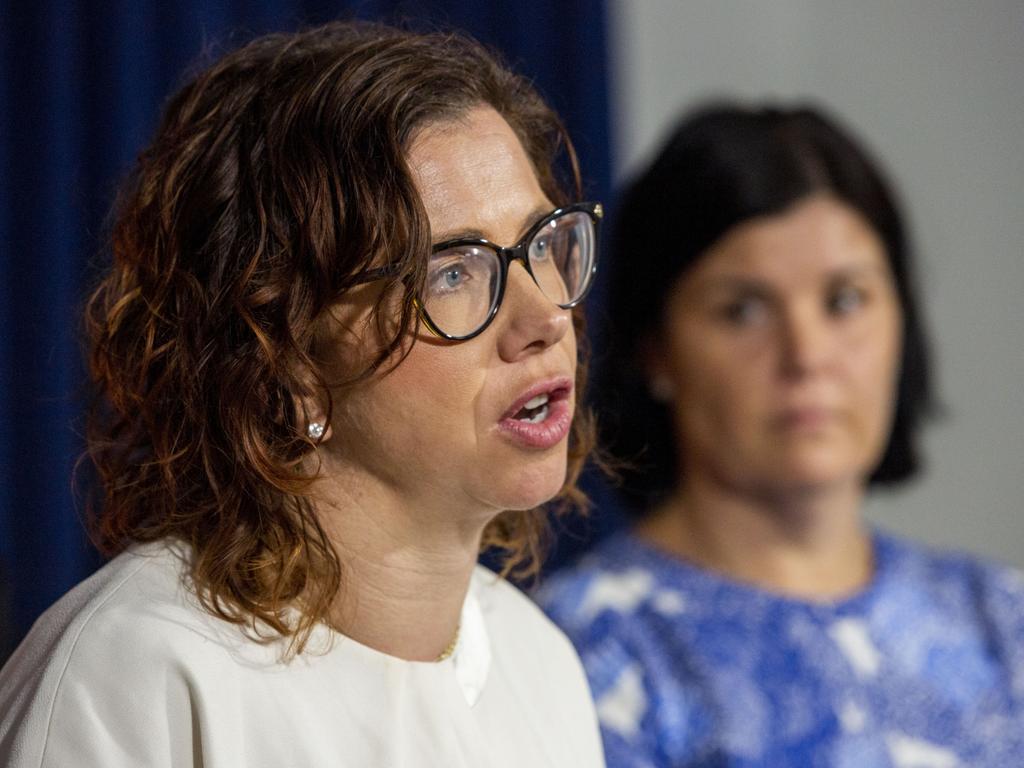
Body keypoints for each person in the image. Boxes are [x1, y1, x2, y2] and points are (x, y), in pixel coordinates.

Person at [0, 21, 607, 767]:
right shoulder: (136, 671)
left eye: (543, 243)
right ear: (284, 356)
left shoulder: (538, 663)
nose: (546, 318)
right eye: (454, 271)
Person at [538, 104, 1024, 766]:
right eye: (743, 310)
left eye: (844, 300)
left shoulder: (1001, 620)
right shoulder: (579, 651)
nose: (807, 354)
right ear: (655, 352)